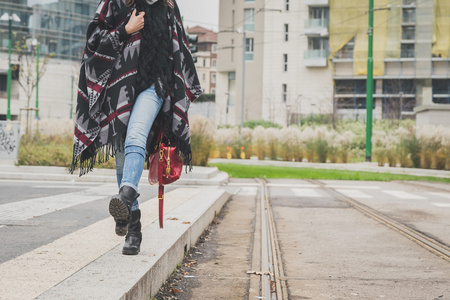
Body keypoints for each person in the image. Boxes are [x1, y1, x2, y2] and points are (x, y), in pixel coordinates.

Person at [70, 0, 201, 255]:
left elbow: (180, 52)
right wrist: (125, 31)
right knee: (122, 159)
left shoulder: (169, 7)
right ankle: (133, 225)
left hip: (155, 88)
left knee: (137, 134)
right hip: (119, 92)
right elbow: (93, 42)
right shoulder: (117, 3)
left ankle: (127, 195)